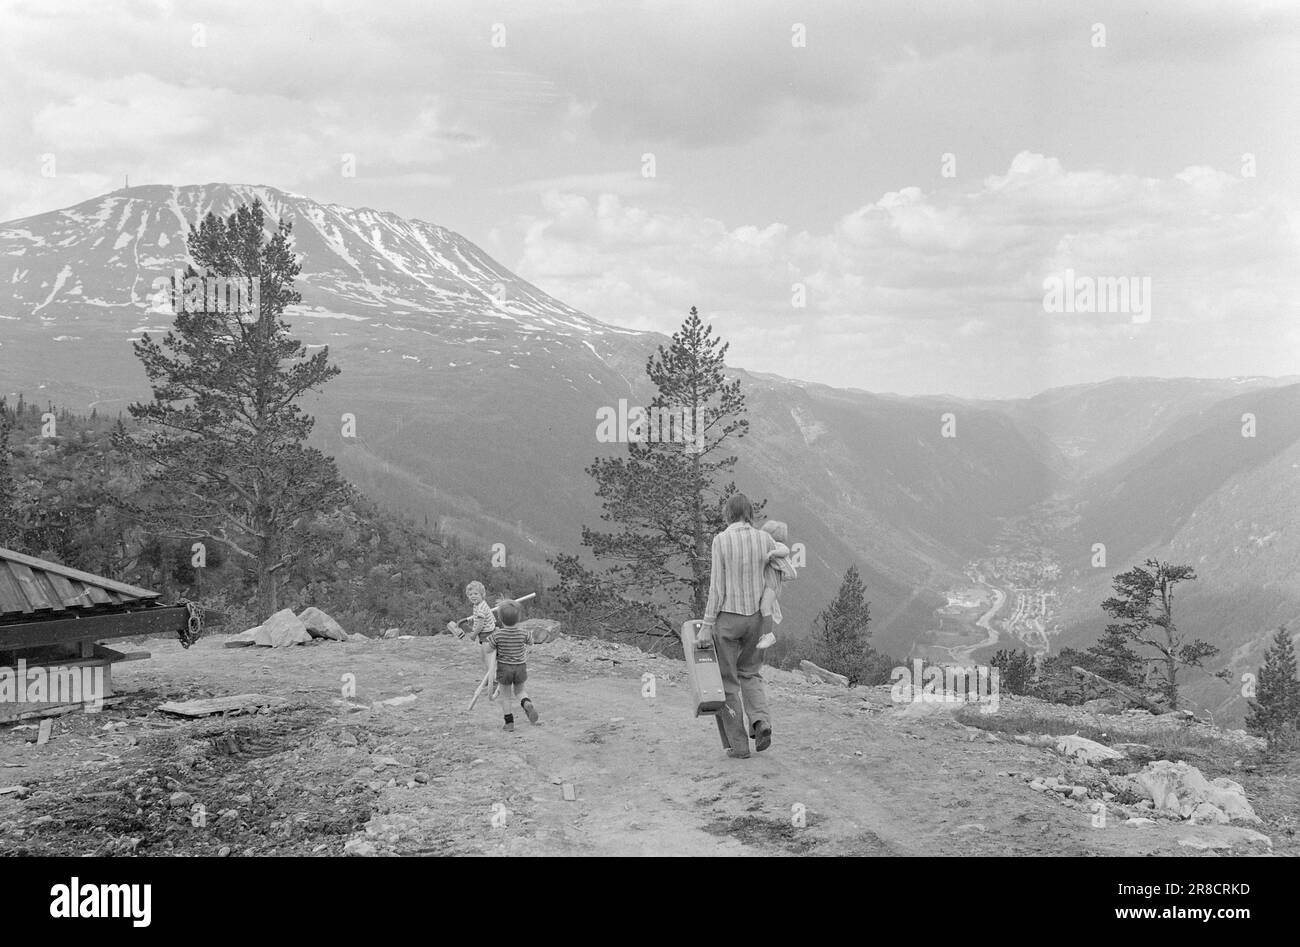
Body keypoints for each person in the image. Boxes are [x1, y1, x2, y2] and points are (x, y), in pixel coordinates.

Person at [698, 493, 775, 758]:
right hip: (756, 619)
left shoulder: (721, 540)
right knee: (750, 673)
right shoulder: (765, 539)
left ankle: (740, 745)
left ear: (728, 513)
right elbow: (774, 578)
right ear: (749, 513)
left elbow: (716, 588)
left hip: (728, 620)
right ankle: (761, 721)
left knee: (728, 682)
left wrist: (707, 625)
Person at [486, 600, 539, 732]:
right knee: (520, 691)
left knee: (506, 696)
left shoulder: (497, 634)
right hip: (520, 667)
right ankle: (526, 702)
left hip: (505, 668)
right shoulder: (523, 633)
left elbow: (488, 649)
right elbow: (532, 642)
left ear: (500, 619)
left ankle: (509, 723)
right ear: (519, 618)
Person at [757, 519, 796, 651]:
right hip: (770, 584)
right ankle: (763, 633)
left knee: (765, 608)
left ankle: (768, 635)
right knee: (764, 608)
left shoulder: (776, 546)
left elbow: (785, 550)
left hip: (771, 585)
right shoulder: (774, 546)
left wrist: (771, 553)